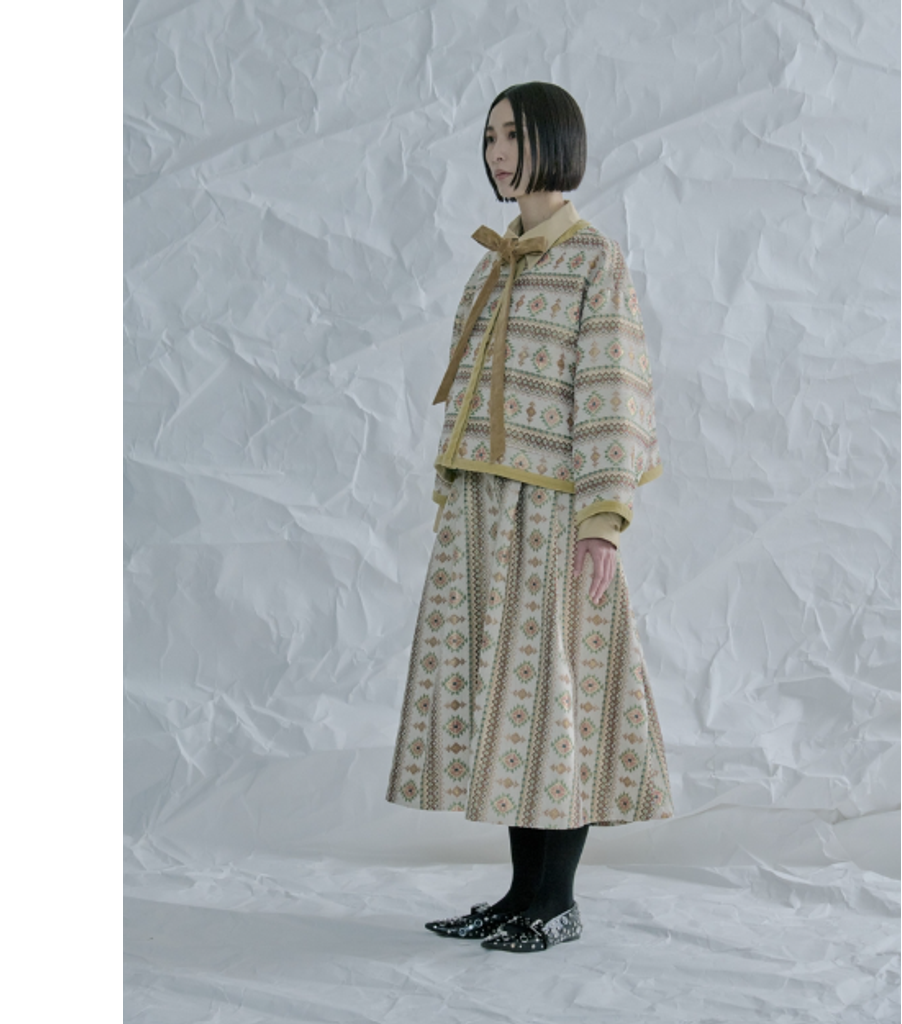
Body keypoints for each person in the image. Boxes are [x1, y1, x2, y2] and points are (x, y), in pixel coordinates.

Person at [385, 82, 674, 954]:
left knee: (557, 702)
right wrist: (454, 496)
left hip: (552, 515)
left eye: (511, 135)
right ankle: (519, 898)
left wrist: (603, 520)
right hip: (483, 513)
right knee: (510, 709)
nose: (498, 152)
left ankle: (557, 903)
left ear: (555, 140)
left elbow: (612, 388)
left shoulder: (594, 260)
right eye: (488, 139)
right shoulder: (494, 262)